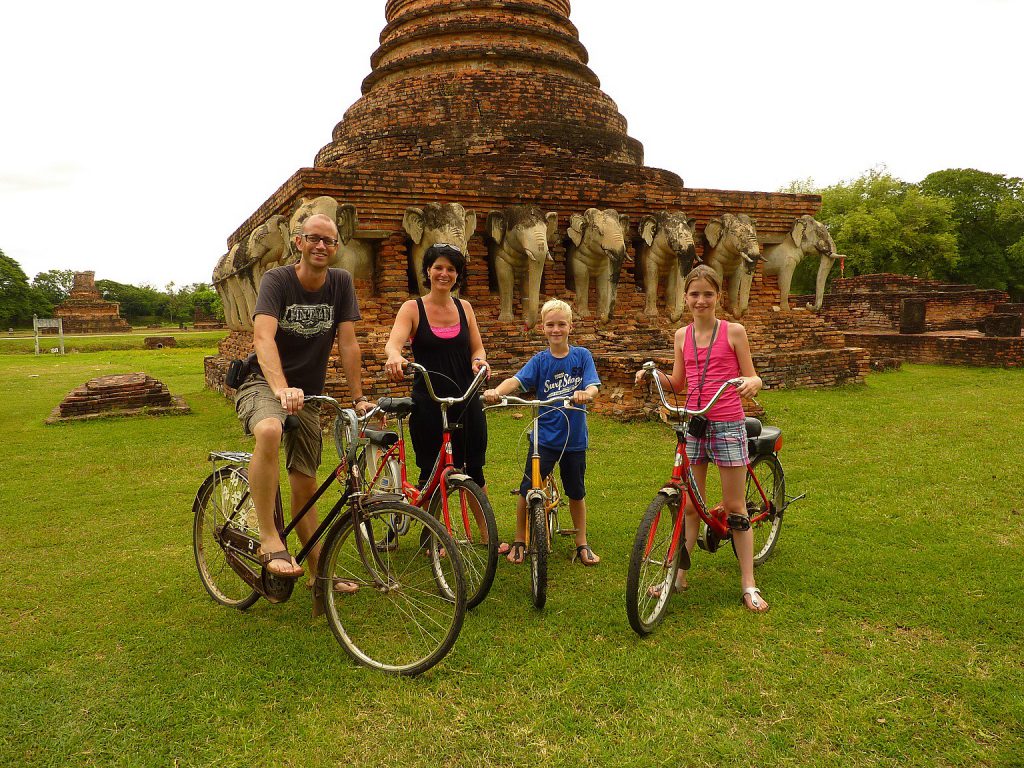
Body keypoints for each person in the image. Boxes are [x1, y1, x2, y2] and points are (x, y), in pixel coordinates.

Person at [234, 212, 374, 604]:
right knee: (269, 431)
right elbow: (263, 337)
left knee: (305, 480)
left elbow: (348, 343)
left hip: (308, 392)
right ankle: (269, 539)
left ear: (336, 247)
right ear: (298, 242)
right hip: (263, 381)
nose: (321, 246)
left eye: (329, 241)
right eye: (314, 238)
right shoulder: (277, 280)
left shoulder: (340, 282)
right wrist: (280, 388)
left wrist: (357, 396)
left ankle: (317, 573)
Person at [634, 264, 769, 612]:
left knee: (736, 507)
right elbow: (678, 382)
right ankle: (679, 574)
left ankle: (748, 584)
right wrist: (652, 375)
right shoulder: (682, 336)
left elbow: (751, 375)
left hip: (726, 422)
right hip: (695, 423)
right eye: (694, 294)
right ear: (685, 297)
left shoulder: (734, 332)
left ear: (718, 296)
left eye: (707, 294)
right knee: (691, 505)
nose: (700, 300)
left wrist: (752, 383)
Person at [383, 243, 493, 539]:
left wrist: (479, 360)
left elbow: (477, 347)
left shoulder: (464, 307)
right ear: (428, 271)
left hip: (466, 398)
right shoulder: (412, 308)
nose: (444, 274)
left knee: (473, 469)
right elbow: (394, 343)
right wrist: (395, 356)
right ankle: (433, 535)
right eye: (438, 268)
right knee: (432, 471)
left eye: (451, 269)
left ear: (458, 275)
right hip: (430, 400)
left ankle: (487, 535)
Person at [484, 299, 602, 566]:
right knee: (528, 488)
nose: (556, 329)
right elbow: (516, 380)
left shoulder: (581, 356)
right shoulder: (540, 361)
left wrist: (586, 393)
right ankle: (520, 539)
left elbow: (593, 384)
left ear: (570, 326)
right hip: (544, 438)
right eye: (551, 324)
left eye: (561, 324)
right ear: (542, 328)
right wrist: (496, 392)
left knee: (576, 491)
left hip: (574, 439)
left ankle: (582, 541)